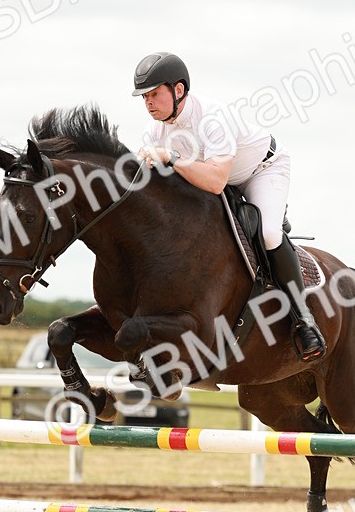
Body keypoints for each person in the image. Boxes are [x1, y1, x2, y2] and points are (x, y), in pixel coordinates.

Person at [132, 51, 326, 361]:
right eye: (144, 97)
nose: (149, 103)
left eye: (155, 94)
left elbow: (215, 182)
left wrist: (171, 158)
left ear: (178, 90)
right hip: (216, 177)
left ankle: (304, 320)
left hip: (262, 170)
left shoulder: (212, 117)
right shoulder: (153, 131)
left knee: (268, 235)